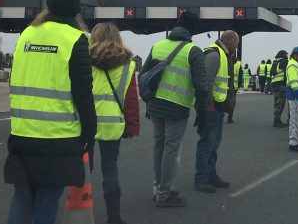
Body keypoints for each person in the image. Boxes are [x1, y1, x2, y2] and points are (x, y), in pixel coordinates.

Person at [4, 0, 97, 224]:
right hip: (58, 136)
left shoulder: (27, 34)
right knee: (47, 197)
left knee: (22, 198)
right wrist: (89, 132)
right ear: (77, 11)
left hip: (22, 131)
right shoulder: (76, 39)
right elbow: (83, 93)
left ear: (49, 7)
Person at [143, 12, 207, 208]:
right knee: (171, 149)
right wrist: (202, 111)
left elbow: (145, 75)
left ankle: (158, 188)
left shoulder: (158, 46)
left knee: (159, 147)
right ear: (192, 31)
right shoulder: (193, 51)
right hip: (177, 107)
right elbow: (202, 86)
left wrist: (148, 102)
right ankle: (164, 193)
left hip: (155, 105)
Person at [89, 22, 140, 224]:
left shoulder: (83, 59)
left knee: (84, 170)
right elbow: (130, 100)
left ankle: (80, 212)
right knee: (110, 168)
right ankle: (114, 217)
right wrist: (132, 127)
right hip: (113, 125)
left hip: (85, 124)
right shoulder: (128, 64)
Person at [194, 30, 239, 193]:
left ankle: (211, 175)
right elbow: (206, 81)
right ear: (231, 40)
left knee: (214, 142)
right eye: (237, 43)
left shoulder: (222, 54)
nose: (237, 46)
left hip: (218, 106)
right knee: (207, 142)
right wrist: (209, 104)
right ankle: (201, 179)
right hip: (211, 107)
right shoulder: (214, 55)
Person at [270, 50, 289, 128]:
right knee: (281, 103)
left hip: (274, 84)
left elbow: (271, 73)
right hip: (281, 84)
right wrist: (286, 83)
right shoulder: (284, 62)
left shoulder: (275, 62)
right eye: (286, 54)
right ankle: (277, 121)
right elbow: (286, 73)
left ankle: (277, 119)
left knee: (277, 103)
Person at [228, 57, 241, 124]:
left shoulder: (226, 60)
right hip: (234, 86)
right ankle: (230, 117)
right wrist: (238, 85)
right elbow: (240, 77)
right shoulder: (239, 64)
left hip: (225, 85)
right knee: (232, 101)